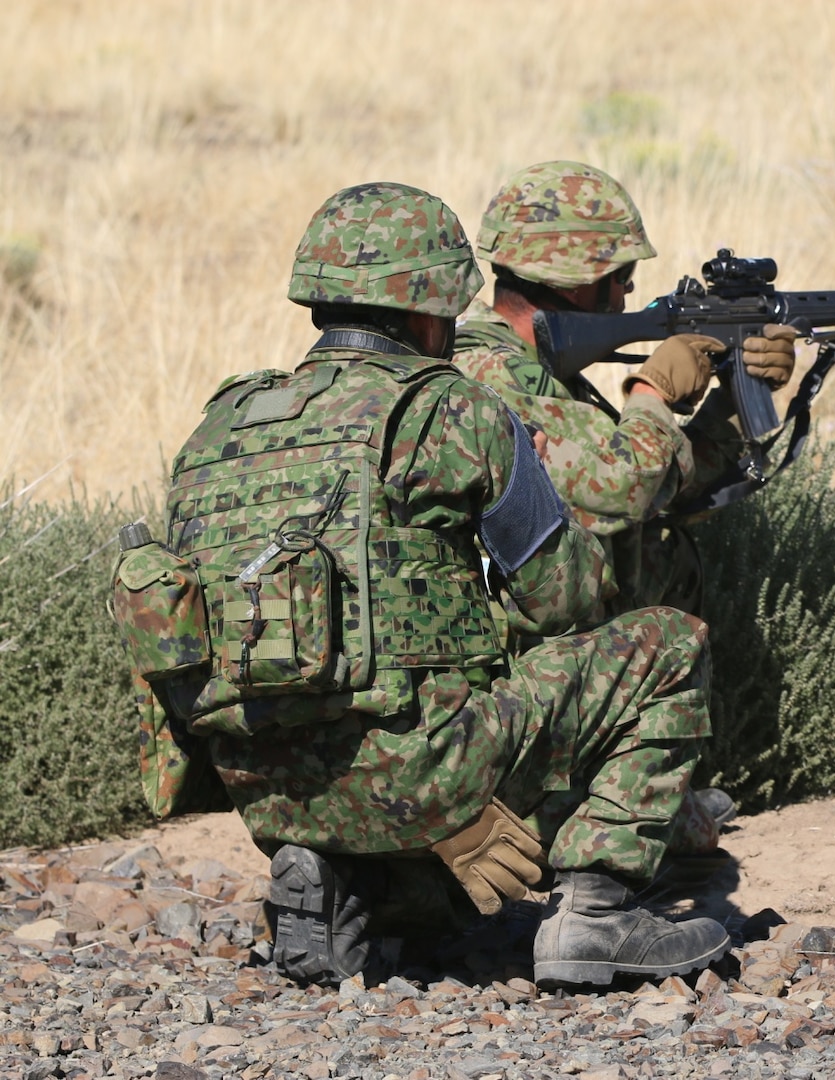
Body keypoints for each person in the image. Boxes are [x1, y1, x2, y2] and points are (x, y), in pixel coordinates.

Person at [110, 181, 730, 990]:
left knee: (439, 911)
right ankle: (597, 914)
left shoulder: (220, 425)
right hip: (421, 772)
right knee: (668, 644)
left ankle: (337, 881)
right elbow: (567, 600)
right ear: (434, 302)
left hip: (267, 787)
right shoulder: (454, 411)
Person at [456, 161, 797, 852]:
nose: (627, 297)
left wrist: (735, 402)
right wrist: (651, 392)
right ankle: (592, 833)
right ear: (582, 280)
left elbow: (659, 488)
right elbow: (619, 490)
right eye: (621, 281)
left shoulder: (546, 377)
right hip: (496, 693)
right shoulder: (487, 373)